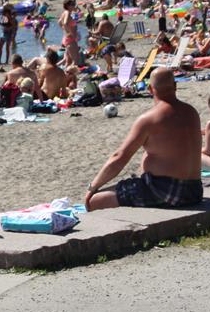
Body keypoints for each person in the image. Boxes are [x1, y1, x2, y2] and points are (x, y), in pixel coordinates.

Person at [84, 69, 202, 211]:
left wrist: (93, 187)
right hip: (194, 190)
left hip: (165, 191)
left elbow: (119, 157)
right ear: (175, 86)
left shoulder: (149, 119)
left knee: (95, 201)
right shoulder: (191, 112)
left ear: (150, 89)